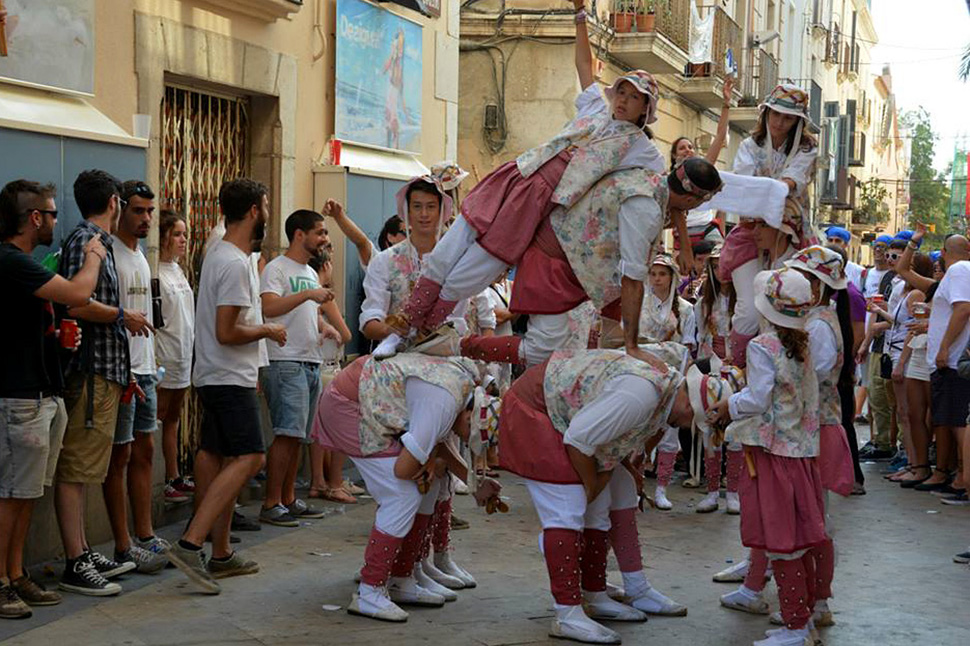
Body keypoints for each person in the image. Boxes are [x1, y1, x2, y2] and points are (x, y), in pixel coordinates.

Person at [390, 1, 720, 369]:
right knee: (449, 249)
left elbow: (667, 192)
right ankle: (401, 330)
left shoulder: (643, 150)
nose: (624, 101)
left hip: (544, 205)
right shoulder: (597, 107)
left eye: (634, 98)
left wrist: (682, 236)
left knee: (471, 274)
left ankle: (425, 333)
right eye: (622, 93)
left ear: (646, 108)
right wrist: (580, 17)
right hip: (523, 176)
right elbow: (583, 65)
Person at [497, 348, 729, 644]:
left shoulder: (664, 391)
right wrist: (591, 486)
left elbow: (604, 433)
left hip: (563, 416)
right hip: (537, 412)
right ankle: (567, 613)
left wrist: (614, 474)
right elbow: (579, 439)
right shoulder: (641, 395)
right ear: (687, 403)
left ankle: (608, 591)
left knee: (620, 492)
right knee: (567, 508)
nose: (687, 427)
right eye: (692, 421)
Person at [164, 179, 286, 594]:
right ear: (254, 210)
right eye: (266, 204)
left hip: (215, 374)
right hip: (226, 376)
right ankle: (190, 542)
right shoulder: (233, 262)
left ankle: (221, 553)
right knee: (251, 457)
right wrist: (267, 329)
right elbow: (227, 331)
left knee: (214, 455)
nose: (268, 212)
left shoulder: (222, 252)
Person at [309, 353, 493, 621]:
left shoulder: (462, 394)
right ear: (468, 415)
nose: (467, 438)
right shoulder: (443, 402)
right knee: (403, 492)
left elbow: (439, 445)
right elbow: (403, 469)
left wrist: (473, 484)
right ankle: (370, 591)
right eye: (471, 432)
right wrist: (428, 463)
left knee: (431, 483)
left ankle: (401, 577)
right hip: (348, 406)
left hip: (367, 403)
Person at [0, 179, 106, 617]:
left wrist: (58, 344)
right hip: (19, 399)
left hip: (42, 394)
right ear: (34, 218)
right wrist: (95, 258)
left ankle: (16, 573)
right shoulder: (10, 261)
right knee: (11, 494)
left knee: (27, 495)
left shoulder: (23, 263)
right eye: (51, 212)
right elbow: (80, 293)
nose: (56, 220)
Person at [709, 268, 825, 646]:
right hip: (801, 454)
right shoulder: (803, 343)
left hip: (773, 455)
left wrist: (729, 403)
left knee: (782, 542)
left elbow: (758, 399)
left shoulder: (763, 346)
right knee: (799, 540)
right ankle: (802, 621)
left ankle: (794, 627)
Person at [55, 170, 147, 595]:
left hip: (107, 372)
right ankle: (75, 560)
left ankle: (84, 549)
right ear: (114, 202)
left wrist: (125, 372)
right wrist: (119, 316)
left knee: (88, 466)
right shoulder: (87, 242)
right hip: (90, 372)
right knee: (76, 467)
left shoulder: (99, 243)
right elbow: (76, 302)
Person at [719, 83, 819, 367]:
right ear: (765, 114)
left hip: (790, 236)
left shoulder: (807, 148)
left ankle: (787, 368)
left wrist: (765, 194)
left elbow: (792, 180)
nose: (779, 122)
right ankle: (738, 368)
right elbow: (745, 184)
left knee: (787, 303)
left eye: (787, 118)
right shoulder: (749, 146)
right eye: (775, 114)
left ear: (797, 122)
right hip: (750, 234)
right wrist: (766, 197)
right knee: (749, 310)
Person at [783, 245, 856, 627]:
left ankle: (816, 602)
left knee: (812, 519)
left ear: (815, 285)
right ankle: (815, 601)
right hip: (816, 427)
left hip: (814, 430)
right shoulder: (819, 320)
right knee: (813, 516)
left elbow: (810, 376)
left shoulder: (817, 326)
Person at [103, 180, 168, 573]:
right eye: (138, 211)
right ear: (120, 209)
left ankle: (145, 534)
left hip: (146, 368)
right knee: (120, 454)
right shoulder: (108, 252)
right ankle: (123, 543)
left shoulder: (141, 254)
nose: (146, 218)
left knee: (145, 450)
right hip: (122, 371)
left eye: (150, 211)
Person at [257, 209, 334, 526]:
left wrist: (321, 324)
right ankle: (271, 502)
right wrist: (309, 294)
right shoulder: (276, 268)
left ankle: (288, 498)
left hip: (309, 359)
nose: (325, 239)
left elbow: (302, 311)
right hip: (285, 360)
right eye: (320, 232)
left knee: (299, 436)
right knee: (286, 434)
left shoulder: (310, 272)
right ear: (299, 234)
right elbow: (269, 306)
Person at [305, 250, 356, 504]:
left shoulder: (303, 292)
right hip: (328, 367)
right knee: (335, 428)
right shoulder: (323, 294)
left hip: (315, 364)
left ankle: (317, 481)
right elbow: (346, 334)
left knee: (316, 430)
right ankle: (331, 482)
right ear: (326, 265)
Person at [155, 209, 196, 504]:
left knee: (173, 419)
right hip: (163, 356)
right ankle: (161, 480)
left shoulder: (178, 269)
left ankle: (174, 474)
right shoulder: (155, 270)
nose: (183, 240)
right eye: (177, 234)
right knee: (159, 417)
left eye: (184, 234)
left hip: (183, 355)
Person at [926, 234, 970, 493]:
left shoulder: (959, 269)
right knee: (953, 421)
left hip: (952, 362)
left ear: (943, 252)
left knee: (957, 423)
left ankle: (964, 480)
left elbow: (963, 309)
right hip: (951, 361)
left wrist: (944, 347)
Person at [856, 234, 899, 461]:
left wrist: (868, 338)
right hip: (876, 344)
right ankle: (879, 440)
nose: (883, 254)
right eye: (878, 248)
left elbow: (891, 317)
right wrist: (865, 341)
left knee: (889, 399)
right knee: (875, 396)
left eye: (890, 252)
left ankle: (891, 444)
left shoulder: (897, 280)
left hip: (891, 347)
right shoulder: (871, 276)